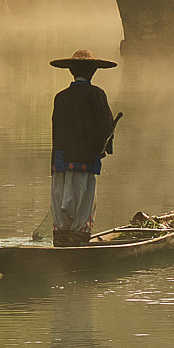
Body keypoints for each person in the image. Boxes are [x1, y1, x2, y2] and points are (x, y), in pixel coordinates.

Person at [49, 50, 117, 246]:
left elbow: (56, 128)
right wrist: (103, 150)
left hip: (60, 160)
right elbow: (106, 127)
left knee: (61, 201)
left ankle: (61, 241)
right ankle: (78, 243)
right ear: (93, 72)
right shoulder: (96, 94)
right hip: (84, 160)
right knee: (83, 203)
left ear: (71, 71)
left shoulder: (60, 97)